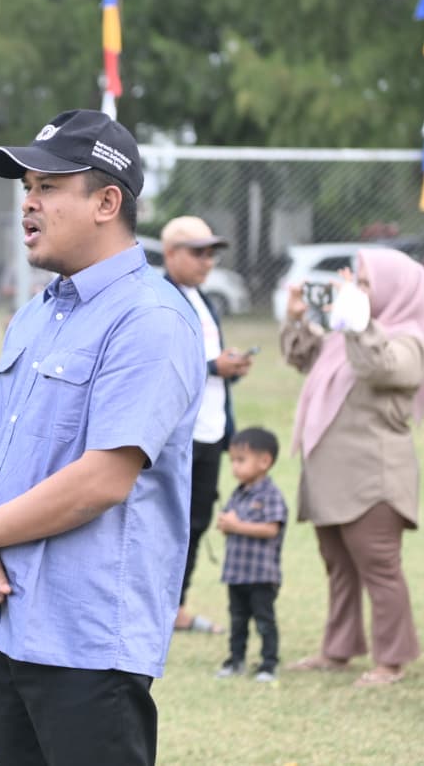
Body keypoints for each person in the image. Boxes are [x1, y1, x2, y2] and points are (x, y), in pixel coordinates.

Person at [0, 108, 204, 765]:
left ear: (107, 202)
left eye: (49, 186)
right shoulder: (34, 314)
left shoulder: (151, 318)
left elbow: (103, 479)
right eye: (27, 187)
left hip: (86, 639)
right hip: (4, 620)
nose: (28, 202)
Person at [281, 249, 424, 687]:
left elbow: (376, 367)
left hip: (373, 478)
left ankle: (392, 659)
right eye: (357, 282)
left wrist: (356, 317)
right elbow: (304, 356)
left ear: (394, 289)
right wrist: (297, 319)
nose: (356, 290)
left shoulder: (407, 343)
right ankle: (338, 648)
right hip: (332, 477)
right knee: (339, 565)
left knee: (379, 566)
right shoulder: (347, 334)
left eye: (366, 283)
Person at [162, 214, 253, 635]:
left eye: (212, 253)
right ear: (170, 253)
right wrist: (215, 366)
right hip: (176, 434)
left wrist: (229, 367)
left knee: (195, 522)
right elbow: (160, 364)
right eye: (198, 252)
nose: (208, 262)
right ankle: (153, 605)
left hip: (212, 430)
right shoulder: (159, 298)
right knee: (162, 521)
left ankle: (176, 607)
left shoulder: (205, 300)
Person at [214, 426, 287, 683]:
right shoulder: (238, 493)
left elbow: (271, 529)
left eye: (241, 460)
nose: (234, 467)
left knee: (264, 621)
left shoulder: (270, 495)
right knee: (237, 621)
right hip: (237, 573)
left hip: (261, 575)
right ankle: (235, 660)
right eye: (232, 460)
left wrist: (236, 526)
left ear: (264, 461)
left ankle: (268, 664)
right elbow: (231, 524)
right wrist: (225, 525)